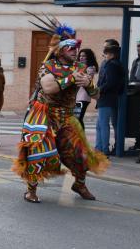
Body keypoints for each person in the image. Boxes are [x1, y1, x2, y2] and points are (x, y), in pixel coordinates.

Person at [13, 15, 108, 203]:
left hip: (66, 117)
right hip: (43, 116)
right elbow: (49, 88)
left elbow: (97, 96)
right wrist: (71, 78)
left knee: (80, 154)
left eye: (76, 47)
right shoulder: (47, 66)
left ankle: (79, 184)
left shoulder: (80, 67)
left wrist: (89, 84)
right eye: (71, 47)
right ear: (61, 50)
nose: (75, 51)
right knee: (37, 153)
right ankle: (31, 190)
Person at [95, 39, 125, 156]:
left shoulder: (111, 64)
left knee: (103, 124)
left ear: (111, 54)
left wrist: (99, 89)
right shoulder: (114, 63)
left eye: (106, 53)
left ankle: (103, 150)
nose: (104, 55)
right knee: (100, 125)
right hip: (107, 98)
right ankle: (99, 148)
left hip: (106, 97)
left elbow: (110, 82)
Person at [75, 48, 98, 129]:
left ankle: (81, 137)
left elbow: (85, 79)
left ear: (88, 57)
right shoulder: (79, 67)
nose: (81, 58)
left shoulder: (90, 68)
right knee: (77, 118)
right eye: (80, 56)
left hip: (84, 96)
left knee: (78, 118)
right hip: (77, 96)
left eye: (84, 56)